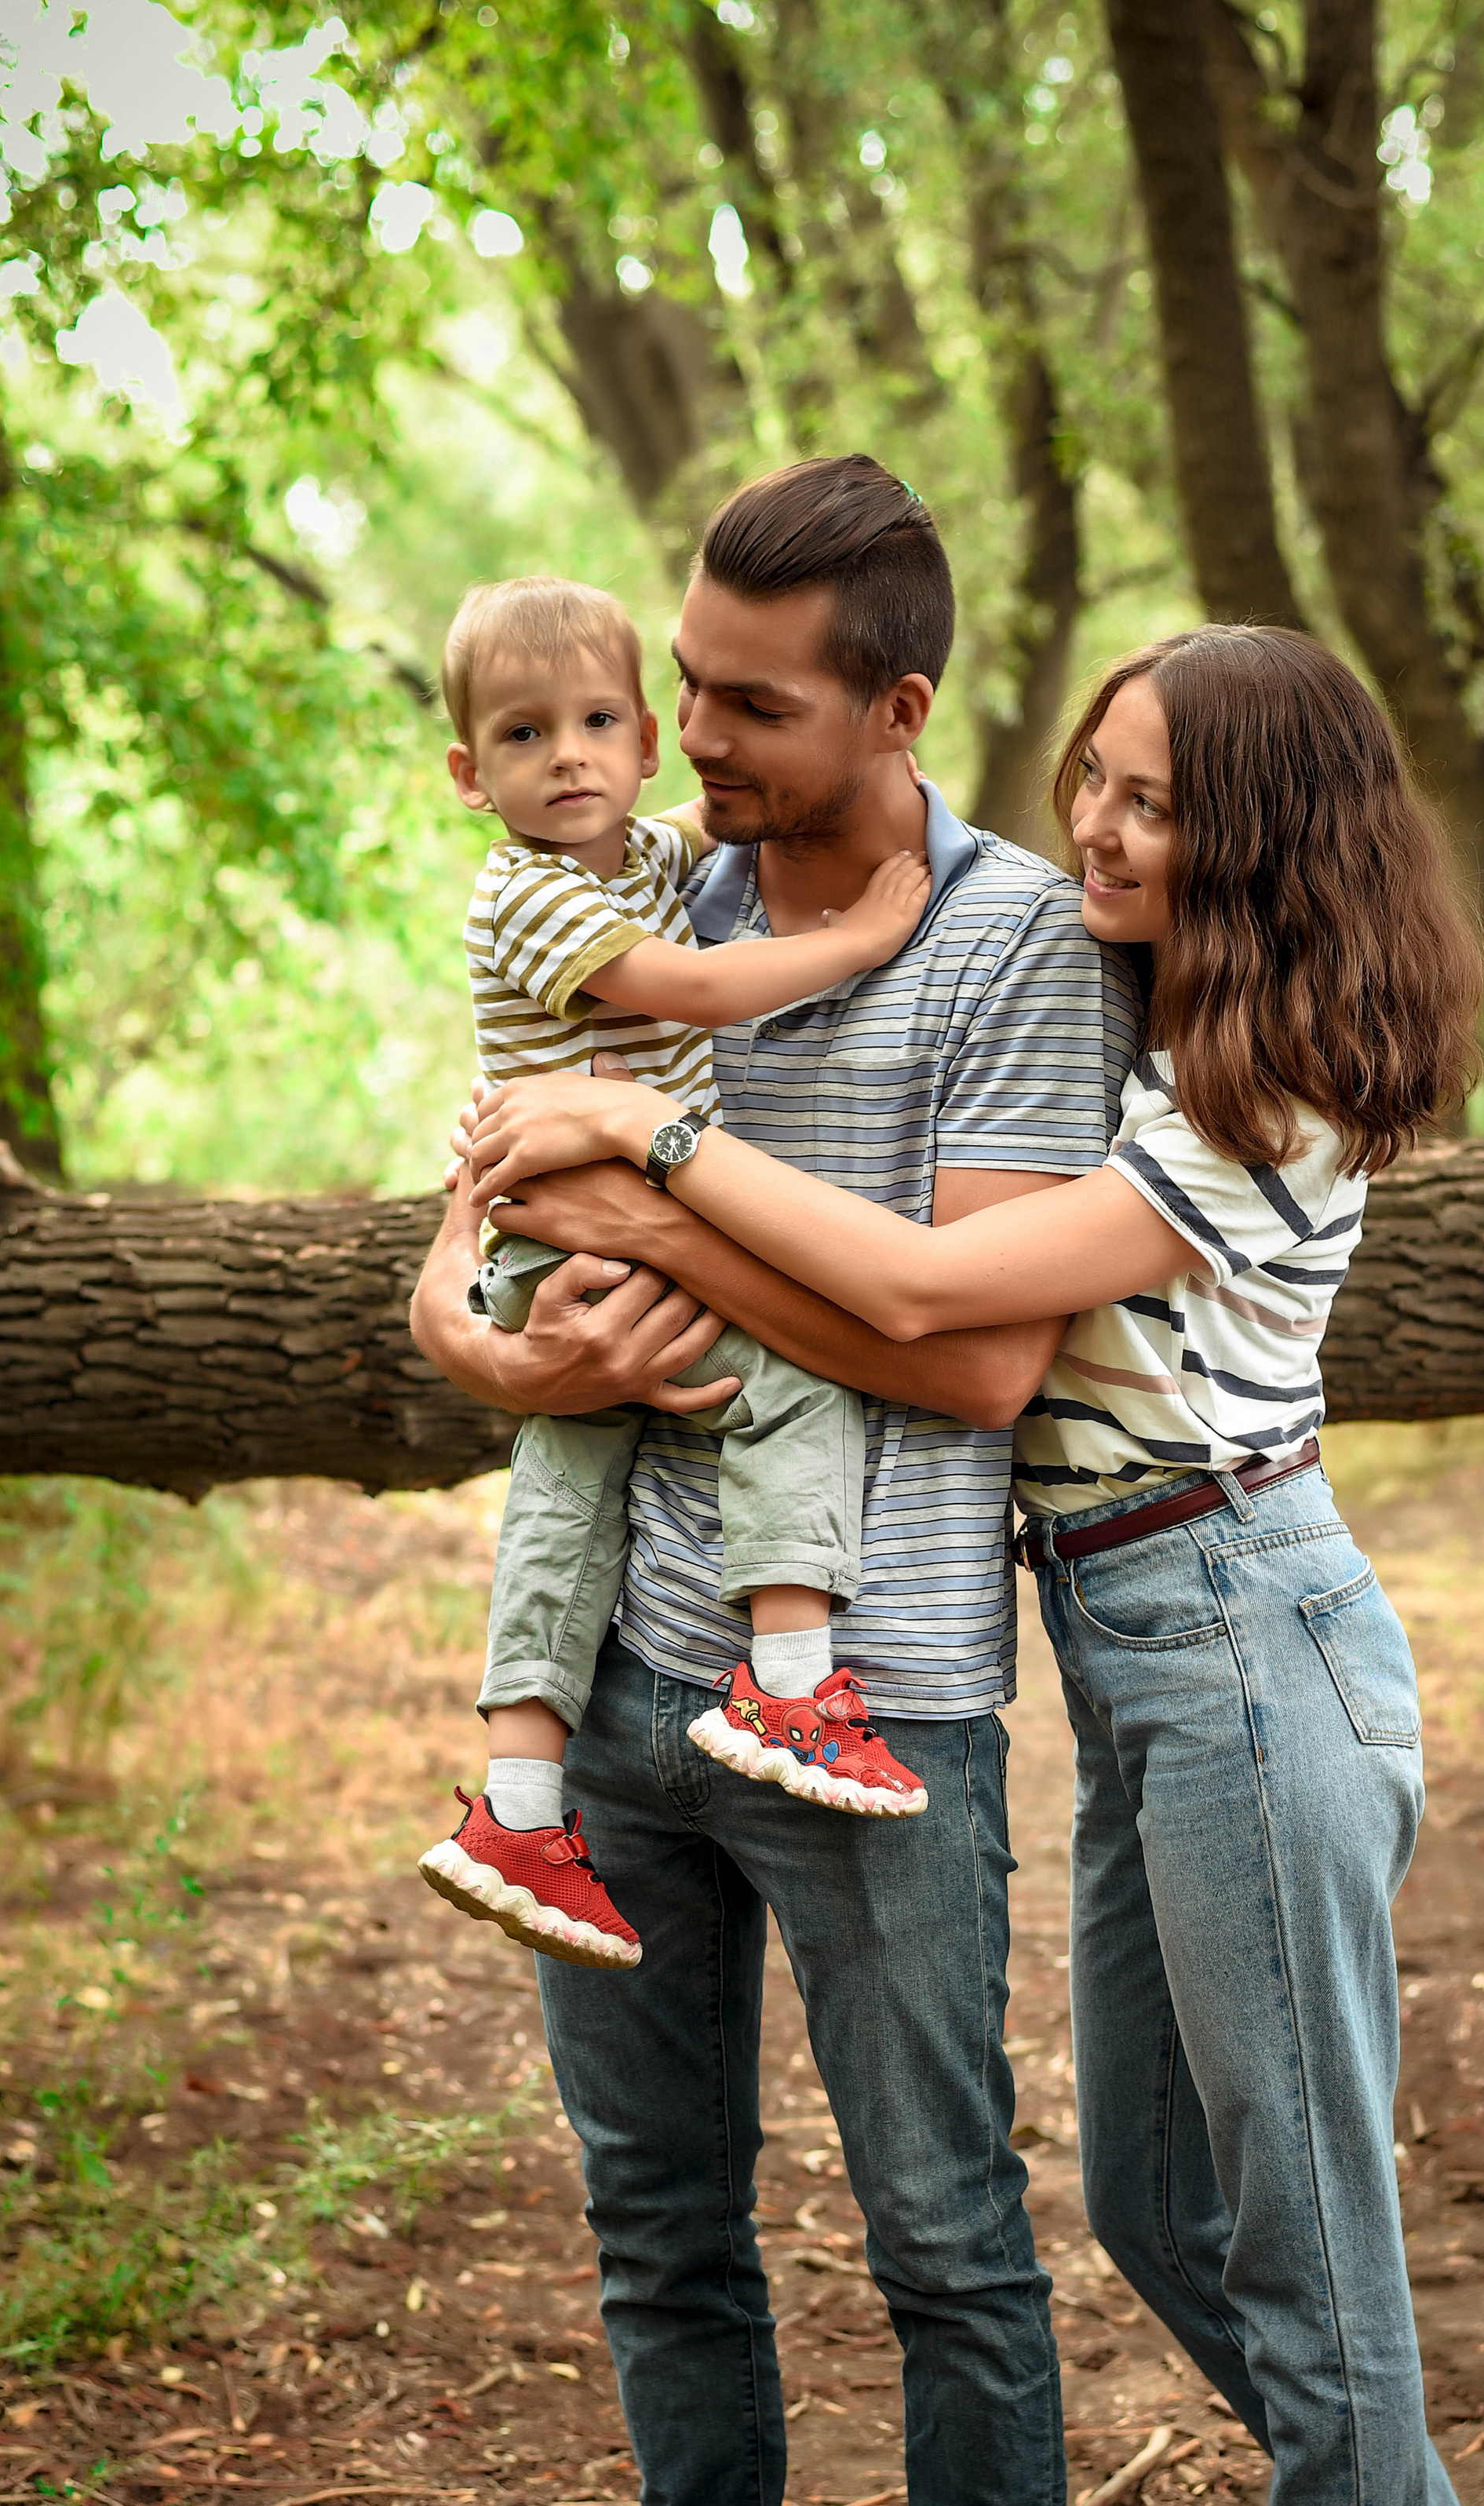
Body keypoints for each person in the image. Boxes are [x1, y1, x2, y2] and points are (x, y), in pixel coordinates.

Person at [463, 623, 1484, 2506]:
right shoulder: (1144, 1011)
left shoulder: (1278, 1096)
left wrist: (651, 1144)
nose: (1102, 828)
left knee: (1299, 2210)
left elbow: (953, 1317)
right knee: (1161, 2201)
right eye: (1097, 779)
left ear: (1262, 837)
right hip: (1134, 1640)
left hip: (1247, 1629)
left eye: (1157, 804)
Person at [410, 456, 1140, 2506]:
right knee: (659, 2228)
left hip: (882, 1693)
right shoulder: (645, 888)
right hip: (621, 1693)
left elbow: (976, 1356)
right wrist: (478, 1329)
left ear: (899, 704)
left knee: (946, 2233)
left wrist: (659, 1217)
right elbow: (490, 1189)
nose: (688, 737)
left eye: (746, 702)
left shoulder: (1018, 947)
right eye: (679, 686)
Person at [420, 572, 935, 1979]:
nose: (567, 754)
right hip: (577, 1233)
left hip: (562, 1238)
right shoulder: (530, 893)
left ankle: (517, 1807)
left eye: (598, 721)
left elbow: (725, 810)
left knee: (569, 1481)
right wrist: (859, 940)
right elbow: (692, 993)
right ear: (472, 775)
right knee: (789, 1375)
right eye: (525, 736)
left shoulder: (637, 850)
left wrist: (860, 759)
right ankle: (788, 1684)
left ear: (646, 740)